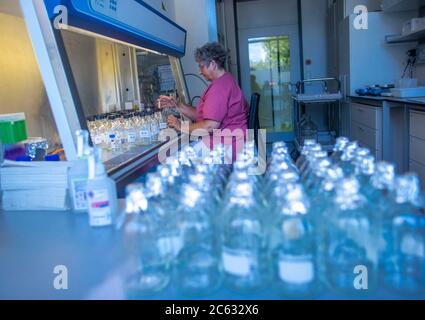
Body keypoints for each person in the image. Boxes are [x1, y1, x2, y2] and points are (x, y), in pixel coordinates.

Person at [157, 42, 249, 161]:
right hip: (230, 143)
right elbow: (205, 116)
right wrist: (177, 106)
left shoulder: (219, 88)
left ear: (212, 64)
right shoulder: (226, 80)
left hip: (226, 147)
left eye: (201, 66)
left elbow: (209, 126)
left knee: (171, 159)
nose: (200, 71)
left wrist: (180, 126)